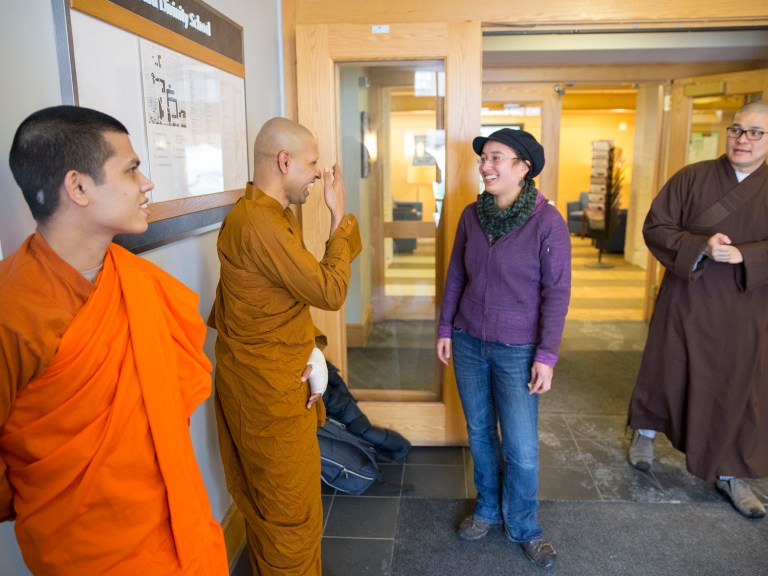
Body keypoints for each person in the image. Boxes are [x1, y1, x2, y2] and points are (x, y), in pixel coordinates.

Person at [0, 106, 228, 574]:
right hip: (85, 548)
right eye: (131, 170)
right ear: (78, 187)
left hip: (176, 525)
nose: (146, 183)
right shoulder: (13, 309)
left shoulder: (135, 280)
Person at [209, 117, 361, 575]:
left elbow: (273, 303)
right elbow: (329, 290)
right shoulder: (258, 223)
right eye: (312, 163)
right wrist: (339, 218)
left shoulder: (267, 216)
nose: (317, 174)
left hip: (270, 381)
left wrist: (309, 349)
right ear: (284, 161)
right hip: (266, 395)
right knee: (289, 515)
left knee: (279, 508)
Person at [437, 128, 571, 569]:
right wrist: (445, 327)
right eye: (483, 158)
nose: (485, 166)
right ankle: (488, 509)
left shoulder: (547, 222)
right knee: (479, 432)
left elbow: (557, 293)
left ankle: (525, 526)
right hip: (469, 341)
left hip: (518, 349)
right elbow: (457, 275)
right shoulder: (471, 215)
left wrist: (546, 356)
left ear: (522, 167)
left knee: (521, 446)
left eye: (496, 157)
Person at [627, 100, 768, 519]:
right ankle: (645, 431)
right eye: (736, 130)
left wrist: (746, 255)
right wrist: (700, 245)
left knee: (740, 386)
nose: (743, 139)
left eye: (755, 132)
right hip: (688, 295)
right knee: (667, 368)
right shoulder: (692, 176)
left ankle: (730, 471)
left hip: (746, 305)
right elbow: (656, 226)